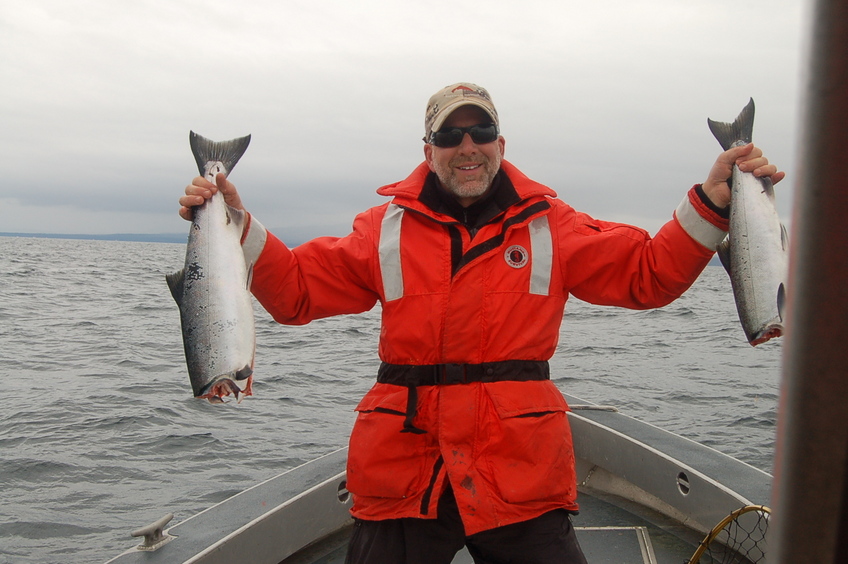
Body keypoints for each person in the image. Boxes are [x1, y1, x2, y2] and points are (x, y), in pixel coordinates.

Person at [179, 83, 783, 564]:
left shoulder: (553, 225)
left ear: (501, 141)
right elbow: (298, 293)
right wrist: (232, 225)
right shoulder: (382, 229)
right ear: (428, 149)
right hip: (404, 472)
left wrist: (712, 201)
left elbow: (650, 274)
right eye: (450, 134)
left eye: (481, 131)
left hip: (517, 467)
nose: (468, 146)